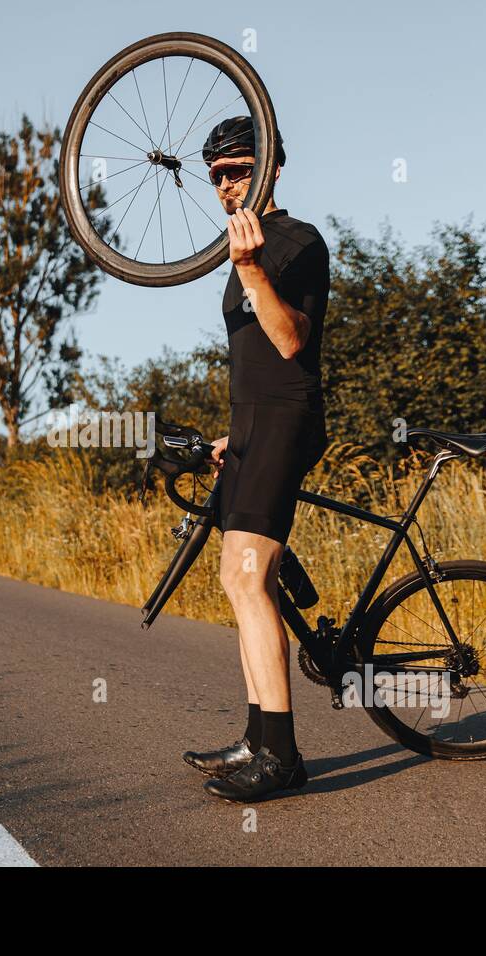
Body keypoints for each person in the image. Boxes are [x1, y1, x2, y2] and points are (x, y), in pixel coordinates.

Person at [181, 116, 329, 803]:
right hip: (250, 425)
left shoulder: (298, 242)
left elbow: (291, 342)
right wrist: (229, 434)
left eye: (236, 169)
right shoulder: (239, 251)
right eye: (214, 175)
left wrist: (248, 268)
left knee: (248, 576)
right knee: (238, 580)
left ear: (271, 165)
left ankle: (284, 758)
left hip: (288, 420)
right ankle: (255, 737)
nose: (225, 185)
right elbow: (250, 361)